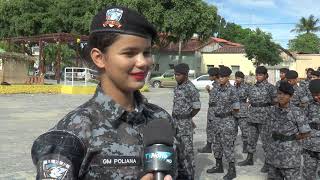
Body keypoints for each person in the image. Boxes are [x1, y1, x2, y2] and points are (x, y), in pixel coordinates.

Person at [31, 6, 174, 180]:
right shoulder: (72, 133)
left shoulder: (161, 120)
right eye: (129, 53)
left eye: (147, 53)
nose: (143, 62)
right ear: (99, 58)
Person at [267, 81, 311, 180]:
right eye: (279, 93)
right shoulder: (272, 110)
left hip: (290, 157)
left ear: (291, 97)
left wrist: (293, 137)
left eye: (285, 94)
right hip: (274, 155)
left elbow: (306, 133)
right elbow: (268, 130)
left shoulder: (297, 112)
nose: (281, 96)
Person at [238, 66, 277, 173]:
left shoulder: (271, 88)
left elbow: (276, 101)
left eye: (260, 74)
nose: (258, 76)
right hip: (252, 116)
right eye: (257, 74)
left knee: (266, 141)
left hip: (265, 118)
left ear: (265, 75)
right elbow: (245, 98)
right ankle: (249, 158)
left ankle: (268, 163)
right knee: (251, 139)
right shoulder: (251, 87)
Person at [206, 66, 239, 180]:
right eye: (219, 77)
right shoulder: (216, 89)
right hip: (216, 120)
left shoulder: (232, 90)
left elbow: (236, 107)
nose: (220, 79)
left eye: (222, 77)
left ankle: (232, 170)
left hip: (227, 120)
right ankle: (218, 165)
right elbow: (213, 102)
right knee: (217, 144)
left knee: (228, 145)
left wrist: (228, 115)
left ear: (228, 77)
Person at [172, 63, 201, 180]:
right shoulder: (178, 86)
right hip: (175, 122)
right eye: (175, 74)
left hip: (184, 124)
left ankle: (190, 176)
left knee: (187, 152)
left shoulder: (191, 89)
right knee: (176, 150)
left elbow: (197, 107)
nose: (176, 77)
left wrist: (188, 117)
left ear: (186, 75)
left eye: (178, 75)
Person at [198, 67, 220, 153]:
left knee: (215, 129)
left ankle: (215, 147)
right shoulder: (215, 84)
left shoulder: (219, 84)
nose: (209, 77)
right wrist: (209, 91)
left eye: (210, 75)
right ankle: (208, 146)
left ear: (215, 76)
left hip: (215, 110)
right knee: (210, 128)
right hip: (212, 109)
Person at [302, 79, 320, 180]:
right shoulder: (309, 105)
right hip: (310, 146)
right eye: (314, 95)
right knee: (308, 174)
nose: (316, 97)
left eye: (318, 94)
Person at [234, 71, 250, 153]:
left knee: (245, 130)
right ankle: (231, 145)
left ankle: (245, 146)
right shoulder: (233, 87)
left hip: (243, 112)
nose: (237, 79)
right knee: (233, 130)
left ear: (242, 79)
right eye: (236, 78)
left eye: (239, 78)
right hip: (233, 112)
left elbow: (252, 96)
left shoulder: (246, 87)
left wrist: (248, 103)